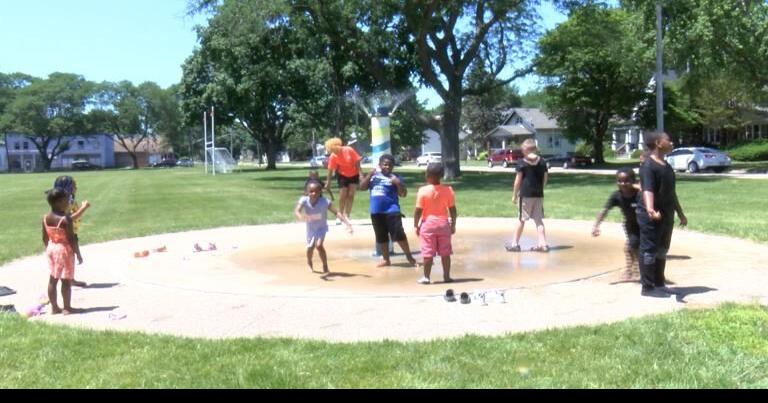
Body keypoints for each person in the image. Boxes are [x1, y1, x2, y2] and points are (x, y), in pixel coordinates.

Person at [636, 131, 688, 297]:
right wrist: (650, 209)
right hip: (652, 215)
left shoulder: (666, 166)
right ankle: (647, 287)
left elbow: (671, 192)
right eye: (669, 140)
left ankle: (659, 283)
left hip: (666, 214)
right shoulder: (648, 166)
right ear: (658, 143)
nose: (672, 142)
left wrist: (680, 213)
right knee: (649, 249)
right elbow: (648, 190)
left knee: (662, 249)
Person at [359, 154, 418, 268]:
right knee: (381, 236)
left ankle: (409, 257)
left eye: (390, 165)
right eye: (385, 164)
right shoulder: (373, 177)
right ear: (380, 165)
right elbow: (362, 187)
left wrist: (397, 183)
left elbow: (403, 194)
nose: (387, 167)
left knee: (399, 234)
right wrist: (369, 174)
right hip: (376, 211)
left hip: (392, 210)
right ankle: (386, 259)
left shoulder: (396, 177)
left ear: (393, 166)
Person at [592, 168, 641, 281]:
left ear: (633, 181)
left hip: (645, 225)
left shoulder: (640, 194)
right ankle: (632, 271)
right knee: (630, 248)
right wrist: (596, 225)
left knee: (635, 248)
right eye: (619, 181)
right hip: (630, 225)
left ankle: (639, 271)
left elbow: (652, 195)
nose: (622, 184)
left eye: (626, 181)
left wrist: (639, 187)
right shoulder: (616, 195)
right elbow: (605, 210)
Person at [294, 181, 352, 273]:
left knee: (319, 245)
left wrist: (347, 224)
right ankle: (309, 263)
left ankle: (325, 265)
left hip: (321, 228)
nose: (314, 193)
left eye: (316, 191)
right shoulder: (304, 200)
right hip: (311, 228)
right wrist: (300, 216)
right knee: (310, 248)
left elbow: (336, 212)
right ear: (307, 192)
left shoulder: (324, 202)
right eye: (311, 191)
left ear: (320, 192)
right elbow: (297, 211)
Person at [414, 163, 457, 284]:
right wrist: (453, 224)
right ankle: (447, 277)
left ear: (427, 175)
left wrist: (415, 225)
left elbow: (418, 211)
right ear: (442, 175)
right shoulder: (448, 190)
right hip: (443, 224)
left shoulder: (422, 191)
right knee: (445, 252)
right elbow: (453, 210)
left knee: (427, 253)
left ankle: (426, 277)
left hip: (428, 225)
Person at [42, 188, 82, 315]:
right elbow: (71, 239)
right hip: (64, 251)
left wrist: (49, 249)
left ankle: (54, 307)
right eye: (66, 200)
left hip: (51, 248)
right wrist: (78, 253)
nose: (68, 202)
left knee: (53, 279)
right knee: (66, 280)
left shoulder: (45, 218)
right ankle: (67, 307)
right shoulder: (65, 219)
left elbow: (44, 237)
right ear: (59, 202)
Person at [506, 138, 549, 252]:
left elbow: (517, 181)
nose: (521, 151)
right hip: (539, 194)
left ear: (526, 150)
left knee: (521, 219)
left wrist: (514, 195)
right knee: (538, 220)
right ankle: (543, 244)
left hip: (525, 195)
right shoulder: (542, 161)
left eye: (522, 149)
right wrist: (541, 188)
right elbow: (545, 178)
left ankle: (514, 244)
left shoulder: (522, 162)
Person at [52, 176, 90, 287]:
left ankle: (70, 278)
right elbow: (68, 218)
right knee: (68, 256)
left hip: (71, 230)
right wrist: (83, 208)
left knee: (71, 255)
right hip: (67, 233)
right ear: (67, 187)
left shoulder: (69, 199)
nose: (76, 188)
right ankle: (67, 279)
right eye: (73, 186)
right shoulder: (64, 202)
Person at [324, 137, 362, 223]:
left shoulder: (349, 150)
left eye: (333, 149)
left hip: (354, 174)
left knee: (351, 195)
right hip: (342, 175)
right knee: (343, 195)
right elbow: (330, 170)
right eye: (330, 150)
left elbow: (357, 161)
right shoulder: (333, 156)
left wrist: (361, 174)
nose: (332, 152)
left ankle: (347, 215)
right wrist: (328, 183)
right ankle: (340, 215)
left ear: (337, 146)